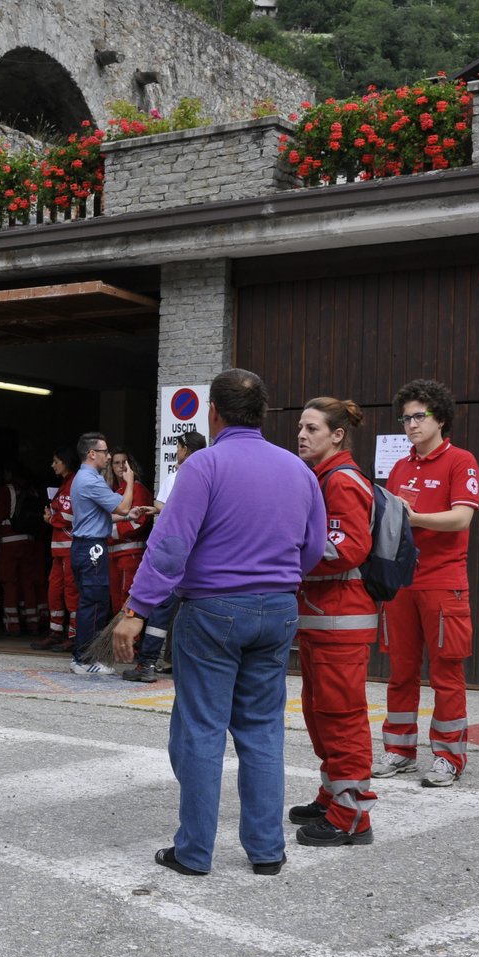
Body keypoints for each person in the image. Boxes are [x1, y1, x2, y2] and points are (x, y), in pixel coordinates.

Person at [113, 369, 325, 876]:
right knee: (262, 732)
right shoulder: (298, 470)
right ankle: (266, 850)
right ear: (265, 413)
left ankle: (194, 852)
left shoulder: (204, 466)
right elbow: (314, 547)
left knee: (203, 731)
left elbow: (170, 545)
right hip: (277, 611)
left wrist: (136, 610)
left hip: (212, 612)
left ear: (214, 412)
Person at [376, 378, 479, 789]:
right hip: (402, 583)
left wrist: (411, 518)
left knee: (446, 673)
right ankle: (399, 751)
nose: (412, 424)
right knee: (400, 672)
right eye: (406, 418)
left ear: (440, 417)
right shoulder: (401, 467)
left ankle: (448, 757)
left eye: (420, 416)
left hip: (443, 582)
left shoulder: (461, 460)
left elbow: (461, 518)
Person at [291, 397, 379, 846]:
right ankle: (332, 794)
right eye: (301, 428)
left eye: (313, 428)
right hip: (322, 619)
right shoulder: (322, 478)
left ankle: (352, 816)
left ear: (337, 435)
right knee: (318, 711)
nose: (302, 435)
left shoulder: (341, 481)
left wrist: (286, 551)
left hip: (340, 621)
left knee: (341, 715)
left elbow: (345, 548)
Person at [123, 431, 206, 682]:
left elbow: (172, 512)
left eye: (178, 447)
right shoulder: (209, 473)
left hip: (176, 555)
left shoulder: (180, 474)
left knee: (160, 610)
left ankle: (146, 663)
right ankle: (184, 663)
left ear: (184, 448)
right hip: (200, 558)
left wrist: (158, 510)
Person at [65, 432, 136, 676]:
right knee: (94, 603)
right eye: (105, 452)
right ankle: (85, 658)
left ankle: (84, 657)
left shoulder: (82, 478)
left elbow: (105, 514)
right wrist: (130, 481)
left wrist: (128, 515)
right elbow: (122, 505)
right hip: (92, 547)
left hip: (85, 546)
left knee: (93, 601)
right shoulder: (90, 480)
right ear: (92, 453)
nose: (108, 456)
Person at [0, 468, 46, 636]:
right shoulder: (32, 491)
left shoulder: (7, 490)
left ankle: (12, 624)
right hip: (29, 542)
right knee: (28, 583)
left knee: (9, 582)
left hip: (10, 541)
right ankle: (33, 623)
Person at [31, 448, 78, 652]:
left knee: (71, 592)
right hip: (59, 550)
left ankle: (74, 635)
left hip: (70, 548)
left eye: (56, 461)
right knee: (54, 591)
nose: (53, 465)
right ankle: (55, 633)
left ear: (66, 462)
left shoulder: (73, 483)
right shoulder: (64, 485)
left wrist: (51, 518)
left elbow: (67, 516)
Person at [107, 450, 154, 615]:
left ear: (130, 465)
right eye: (116, 462)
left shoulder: (137, 489)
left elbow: (138, 521)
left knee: (127, 598)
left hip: (130, 554)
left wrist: (109, 531)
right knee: (115, 599)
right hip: (113, 555)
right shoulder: (114, 491)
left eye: (124, 462)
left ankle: (131, 640)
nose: (120, 466)